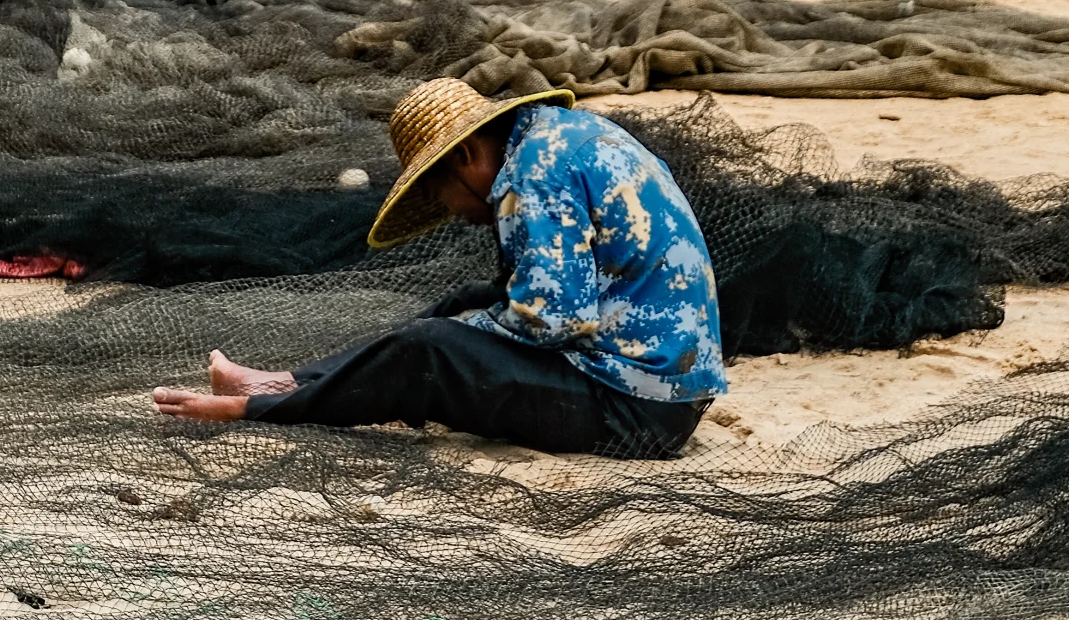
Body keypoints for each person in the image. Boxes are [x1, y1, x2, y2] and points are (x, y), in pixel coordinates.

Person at [150, 78, 727, 458]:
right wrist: (470, 320)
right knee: (457, 309)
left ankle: (260, 405)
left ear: (465, 158)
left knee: (431, 347)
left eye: (440, 194)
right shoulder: (561, 136)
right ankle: (293, 381)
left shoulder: (537, 170)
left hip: (637, 411)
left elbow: (553, 322)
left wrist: (457, 336)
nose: (454, 213)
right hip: (661, 386)